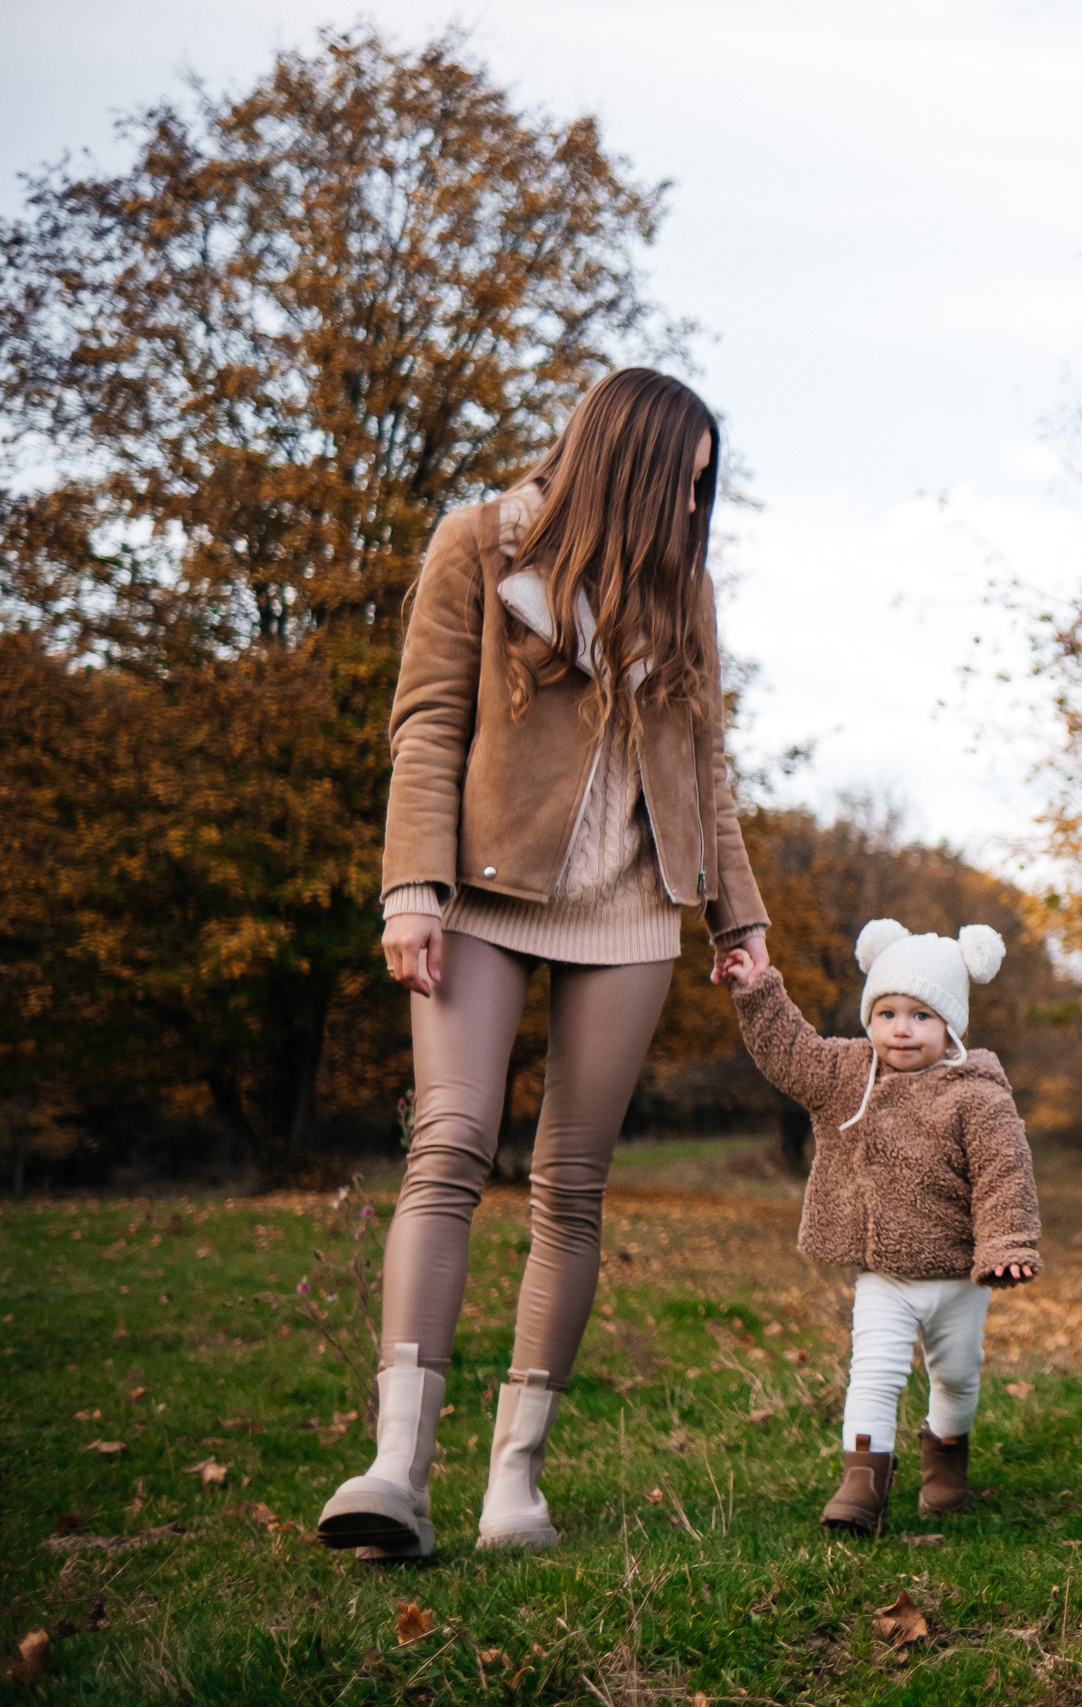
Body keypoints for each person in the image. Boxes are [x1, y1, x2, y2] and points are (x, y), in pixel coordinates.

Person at [318, 368, 770, 1560]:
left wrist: (741, 917)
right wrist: (407, 888)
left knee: (572, 1186)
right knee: (450, 1145)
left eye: (702, 490)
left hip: (630, 906)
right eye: (679, 480)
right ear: (620, 461)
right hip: (477, 892)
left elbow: (706, 768)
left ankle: (513, 1483)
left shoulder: (686, 592)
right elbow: (426, 722)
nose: (689, 506)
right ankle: (394, 1473)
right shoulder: (476, 545)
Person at [721, 918, 1041, 1534]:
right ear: (869, 1017)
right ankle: (862, 1482)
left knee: (956, 1371)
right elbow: (789, 1052)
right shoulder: (847, 1075)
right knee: (873, 1368)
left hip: (958, 1275)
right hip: (884, 1272)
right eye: (887, 1011)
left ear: (950, 1025)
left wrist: (1007, 1246)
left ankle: (946, 1454)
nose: (901, 1028)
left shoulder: (977, 1095)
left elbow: (1006, 1173)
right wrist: (758, 989)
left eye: (921, 1015)